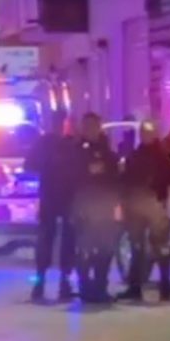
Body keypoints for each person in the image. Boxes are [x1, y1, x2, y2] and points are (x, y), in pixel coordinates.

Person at [117, 120, 170, 302]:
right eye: (143, 133)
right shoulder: (135, 155)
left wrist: (158, 191)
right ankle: (135, 287)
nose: (145, 136)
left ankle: (165, 288)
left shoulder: (163, 156)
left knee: (160, 247)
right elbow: (126, 179)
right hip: (136, 204)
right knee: (137, 247)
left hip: (155, 203)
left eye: (149, 132)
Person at [70, 112, 122, 304]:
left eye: (93, 126)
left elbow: (116, 178)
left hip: (105, 206)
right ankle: (85, 286)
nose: (90, 130)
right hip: (84, 205)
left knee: (105, 249)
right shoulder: (75, 151)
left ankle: (100, 286)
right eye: (87, 126)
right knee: (84, 249)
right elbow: (69, 178)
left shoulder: (108, 152)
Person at [27, 109, 78, 302]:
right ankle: (41, 281)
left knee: (65, 240)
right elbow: (30, 165)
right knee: (47, 239)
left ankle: (63, 281)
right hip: (50, 196)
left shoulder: (70, 144)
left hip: (67, 198)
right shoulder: (44, 143)